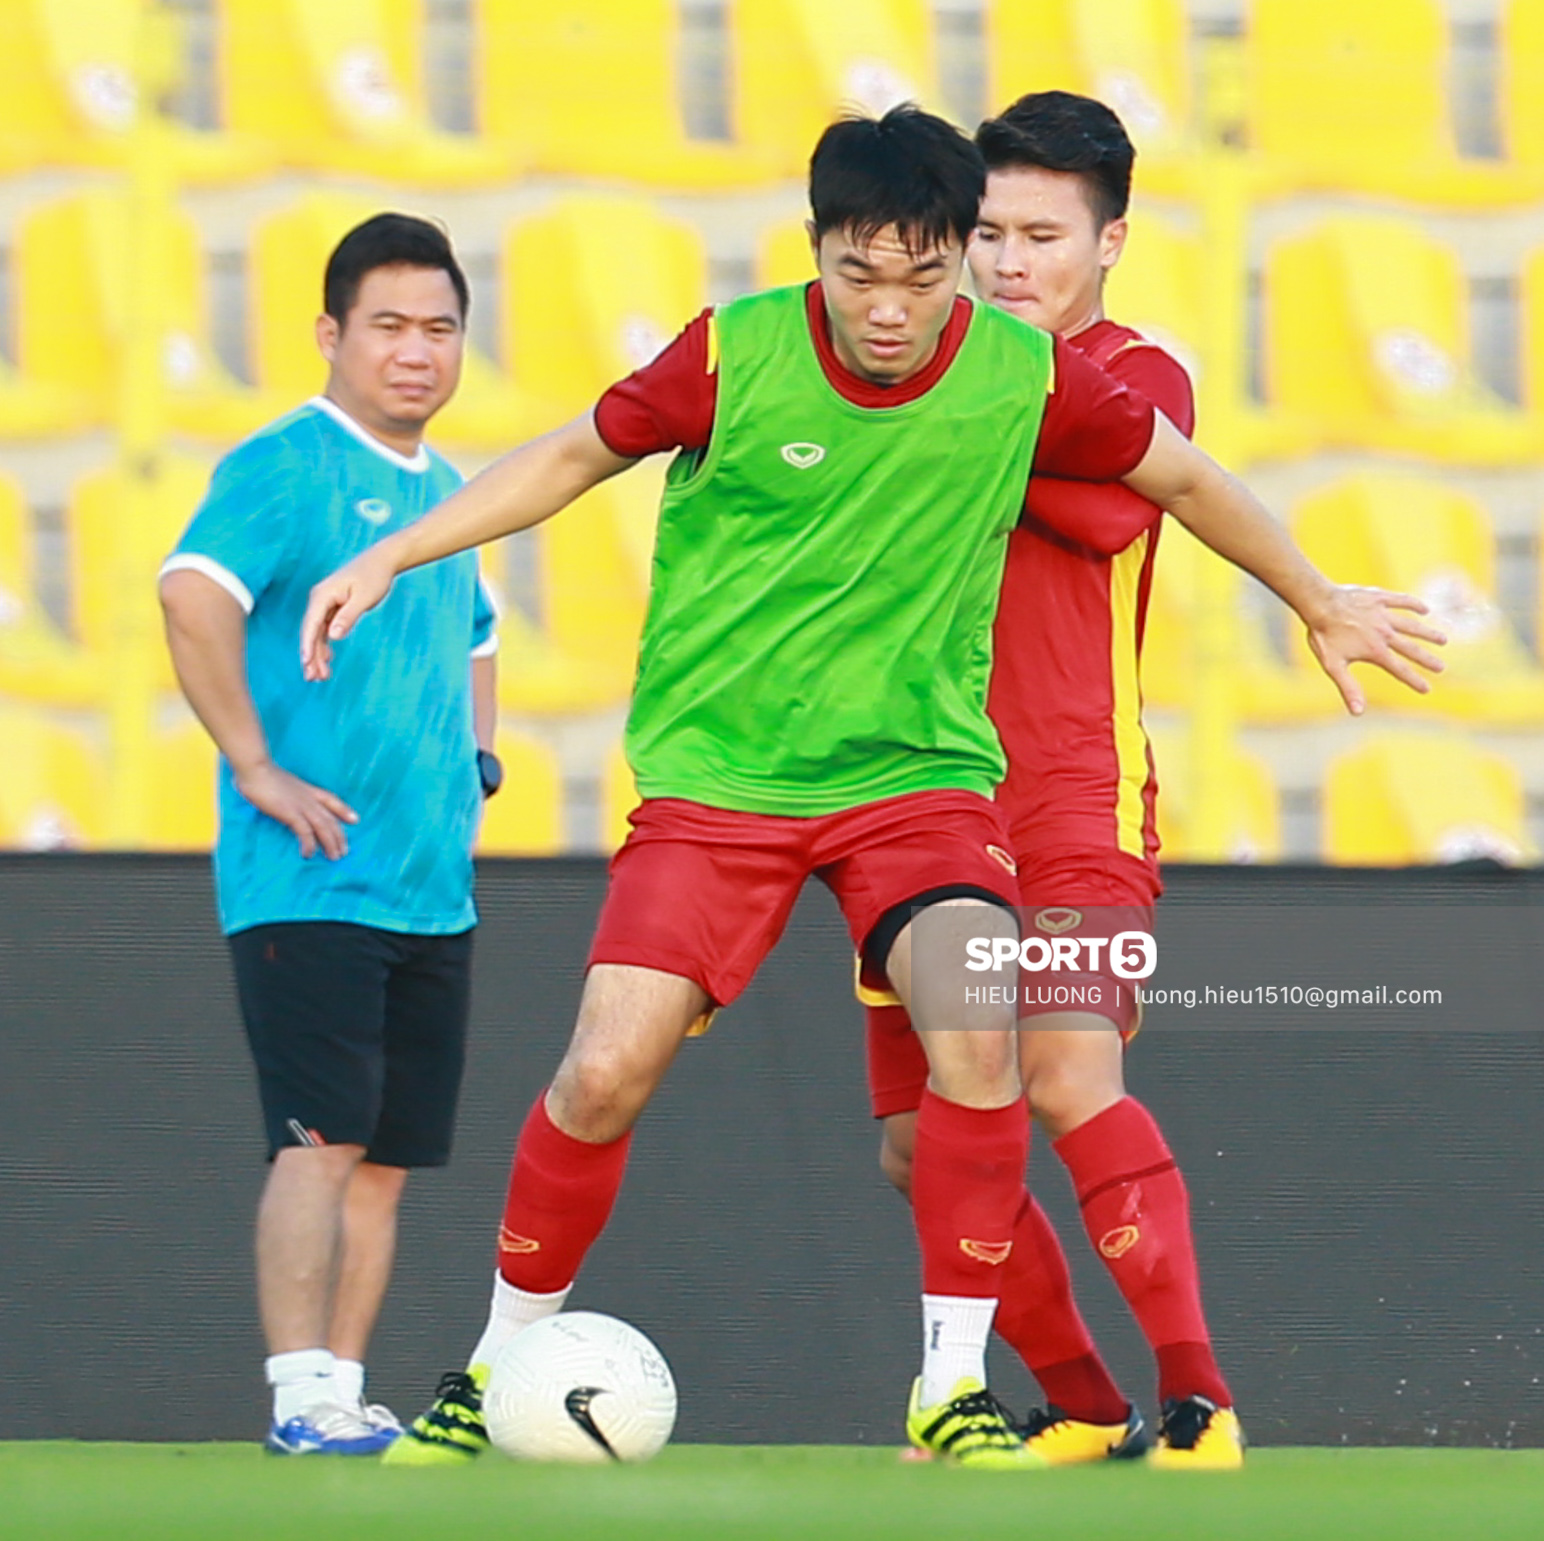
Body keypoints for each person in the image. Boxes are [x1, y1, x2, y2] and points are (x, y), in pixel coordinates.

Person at [299, 108, 1436, 1469]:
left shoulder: (1028, 375)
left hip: (923, 782)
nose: (889, 309)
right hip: (725, 779)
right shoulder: (733, 352)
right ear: (815, 252)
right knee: (605, 1068)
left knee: (982, 1033)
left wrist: (1316, 598)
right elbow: (563, 458)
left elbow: (1183, 479)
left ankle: (958, 1385)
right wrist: (399, 557)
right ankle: (491, 1367)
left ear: (960, 257)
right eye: (859, 274)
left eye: (925, 273)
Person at [862, 91, 1445, 1471]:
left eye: (1041, 236)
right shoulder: (910, 379)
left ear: (1108, 241)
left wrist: (938, 446)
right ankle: (1074, 1399)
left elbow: (1116, 498)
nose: (1008, 263)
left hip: (1074, 795)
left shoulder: (1140, 376)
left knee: (1060, 1070)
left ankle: (1197, 1395)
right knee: (912, 1142)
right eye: (988, 232)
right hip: (916, 799)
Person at [158, 214, 503, 1456]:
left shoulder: (450, 493)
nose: (417, 352)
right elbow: (190, 591)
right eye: (391, 326)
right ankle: (298, 1389)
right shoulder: (288, 464)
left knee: (385, 1163)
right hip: (308, 880)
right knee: (320, 1142)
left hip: (428, 890)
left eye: (440, 328)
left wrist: (480, 762)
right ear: (331, 334)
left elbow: (475, 635)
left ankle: (347, 1388)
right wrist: (253, 762)